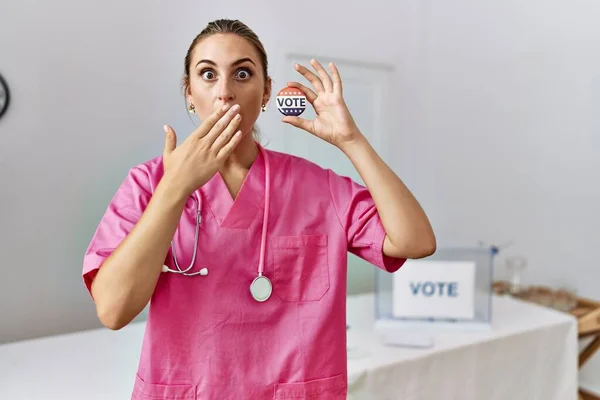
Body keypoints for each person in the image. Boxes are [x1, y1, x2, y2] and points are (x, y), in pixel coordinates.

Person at [82, 18, 436, 400]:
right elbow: (113, 311)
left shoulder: (316, 187)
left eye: (242, 74)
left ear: (266, 92)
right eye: (207, 74)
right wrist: (174, 190)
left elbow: (415, 240)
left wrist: (352, 141)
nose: (224, 93)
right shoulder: (148, 184)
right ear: (188, 93)